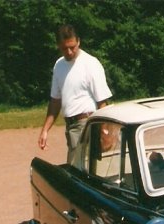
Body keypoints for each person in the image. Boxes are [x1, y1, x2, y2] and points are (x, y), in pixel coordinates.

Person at [38, 24, 113, 163]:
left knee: (75, 169)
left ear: (78, 41)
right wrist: (45, 130)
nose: (69, 52)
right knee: (79, 169)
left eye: (72, 47)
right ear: (58, 45)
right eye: (64, 48)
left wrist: (105, 132)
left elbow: (102, 102)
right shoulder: (59, 65)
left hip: (87, 125)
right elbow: (55, 101)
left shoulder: (90, 64)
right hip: (71, 127)